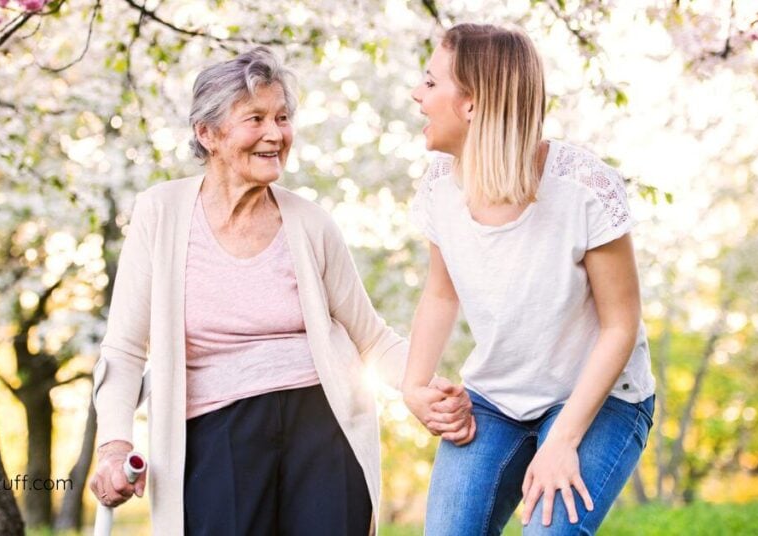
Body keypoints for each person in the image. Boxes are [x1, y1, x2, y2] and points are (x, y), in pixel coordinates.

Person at [88, 46, 471, 535]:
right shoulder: (159, 213)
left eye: (283, 117)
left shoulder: (310, 223)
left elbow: (372, 338)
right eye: (255, 119)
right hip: (214, 433)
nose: (275, 134)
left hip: (323, 426)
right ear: (207, 134)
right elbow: (122, 349)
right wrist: (114, 444)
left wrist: (422, 387)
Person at [403, 24, 656, 535]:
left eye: (431, 84)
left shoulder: (583, 188)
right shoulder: (437, 187)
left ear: (471, 104)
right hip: (497, 398)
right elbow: (440, 292)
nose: (417, 94)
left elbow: (620, 326)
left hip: (600, 398)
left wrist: (562, 440)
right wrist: (412, 387)